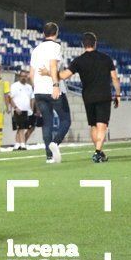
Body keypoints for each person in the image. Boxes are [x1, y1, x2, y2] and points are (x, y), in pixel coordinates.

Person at [48, 32, 121, 163]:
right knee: (102, 125)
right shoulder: (106, 58)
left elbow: (63, 76)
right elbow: (115, 78)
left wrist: (49, 73)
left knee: (93, 125)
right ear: (95, 43)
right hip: (104, 95)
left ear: (83, 45)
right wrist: (118, 94)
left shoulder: (79, 60)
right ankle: (98, 152)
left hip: (88, 97)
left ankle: (98, 152)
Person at [28, 22, 71, 164]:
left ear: (43, 33)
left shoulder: (36, 49)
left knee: (47, 122)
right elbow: (53, 65)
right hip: (52, 88)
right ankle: (55, 143)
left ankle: (49, 156)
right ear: (56, 33)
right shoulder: (55, 47)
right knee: (65, 120)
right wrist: (55, 85)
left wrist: (36, 89)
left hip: (39, 90)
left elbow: (31, 74)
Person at [9, 70, 36, 151]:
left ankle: (17, 145)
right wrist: (15, 107)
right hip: (18, 110)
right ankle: (23, 145)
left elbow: (32, 98)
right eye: (22, 76)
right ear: (19, 76)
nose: (24, 78)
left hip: (27, 110)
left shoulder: (29, 87)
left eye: (25, 76)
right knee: (21, 128)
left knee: (25, 127)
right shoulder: (14, 86)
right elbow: (10, 98)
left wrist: (31, 108)